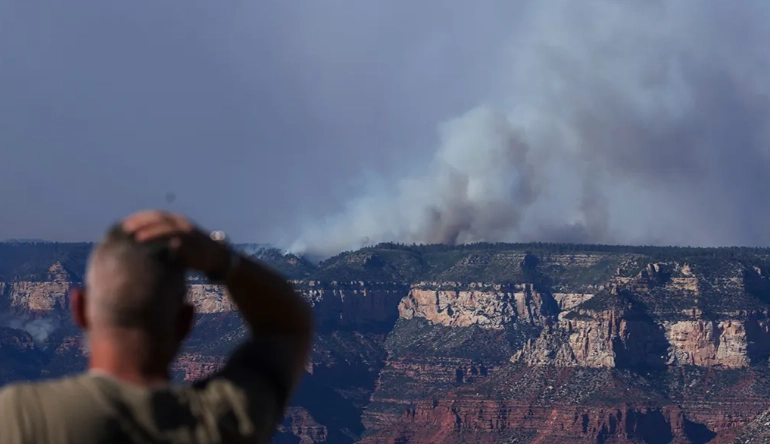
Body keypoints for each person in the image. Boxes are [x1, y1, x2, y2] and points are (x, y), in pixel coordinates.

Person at [0, 210, 315, 443]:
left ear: (80, 309)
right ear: (186, 322)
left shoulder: (19, 416)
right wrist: (221, 258)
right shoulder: (221, 421)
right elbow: (289, 326)